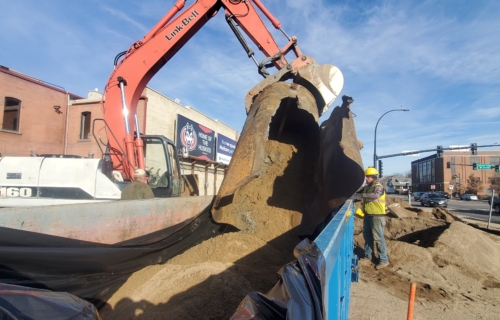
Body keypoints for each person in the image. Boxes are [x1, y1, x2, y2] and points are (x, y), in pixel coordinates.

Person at [360, 167, 389, 270]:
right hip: (368, 215)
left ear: (372, 177)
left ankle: (384, 260)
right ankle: (368, 256)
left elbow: (375, 195)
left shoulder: (378, 187)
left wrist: (361, 196)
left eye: (367, 177)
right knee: (368, 236)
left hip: (377, 216)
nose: (366, 179)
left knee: (378, 238)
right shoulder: (367, 187)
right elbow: (359, 192)